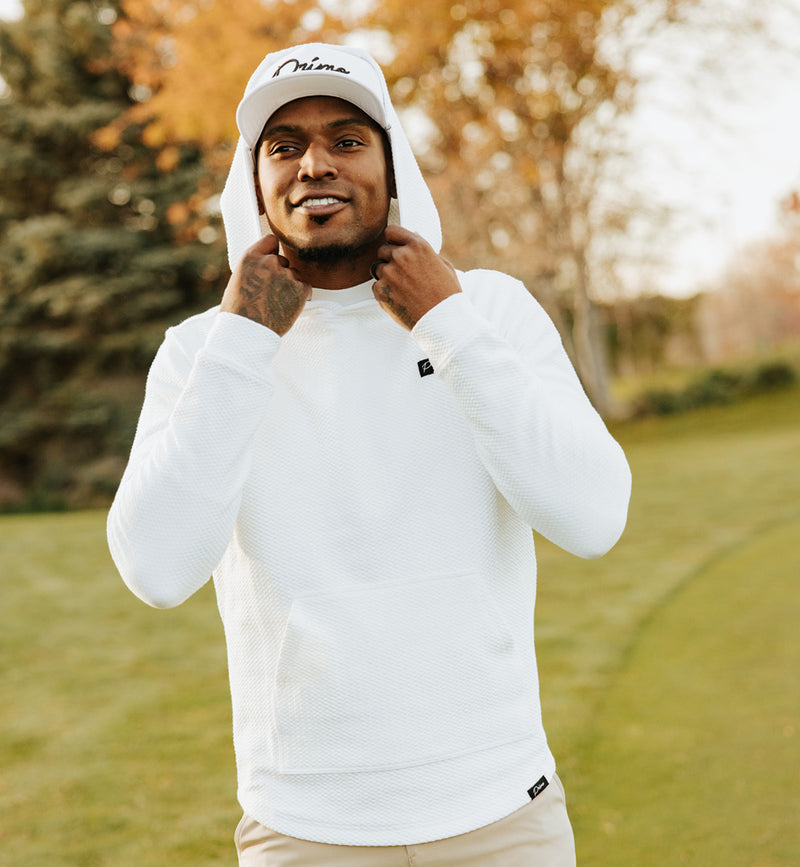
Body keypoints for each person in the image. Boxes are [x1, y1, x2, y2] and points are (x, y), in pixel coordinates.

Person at [107, 42, 632, 866]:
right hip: (304, 828)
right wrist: (243, 341)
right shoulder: (204, 350)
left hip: (503, 810)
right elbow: (156, 568)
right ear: (255, 181)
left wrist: (446, 324)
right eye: (284, 146)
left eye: (346, 139)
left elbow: (595, 517)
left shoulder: (489, 309)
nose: (315, 163)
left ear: (393, 165)